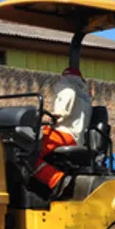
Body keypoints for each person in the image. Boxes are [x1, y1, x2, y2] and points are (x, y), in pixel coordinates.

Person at [30, 67, 92, 201]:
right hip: (73, 135)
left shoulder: (68, 89)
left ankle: (57, 180)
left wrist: (48, 117)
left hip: (66, 134)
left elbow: (62, 113)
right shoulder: (85, 96)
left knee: (29, 150)